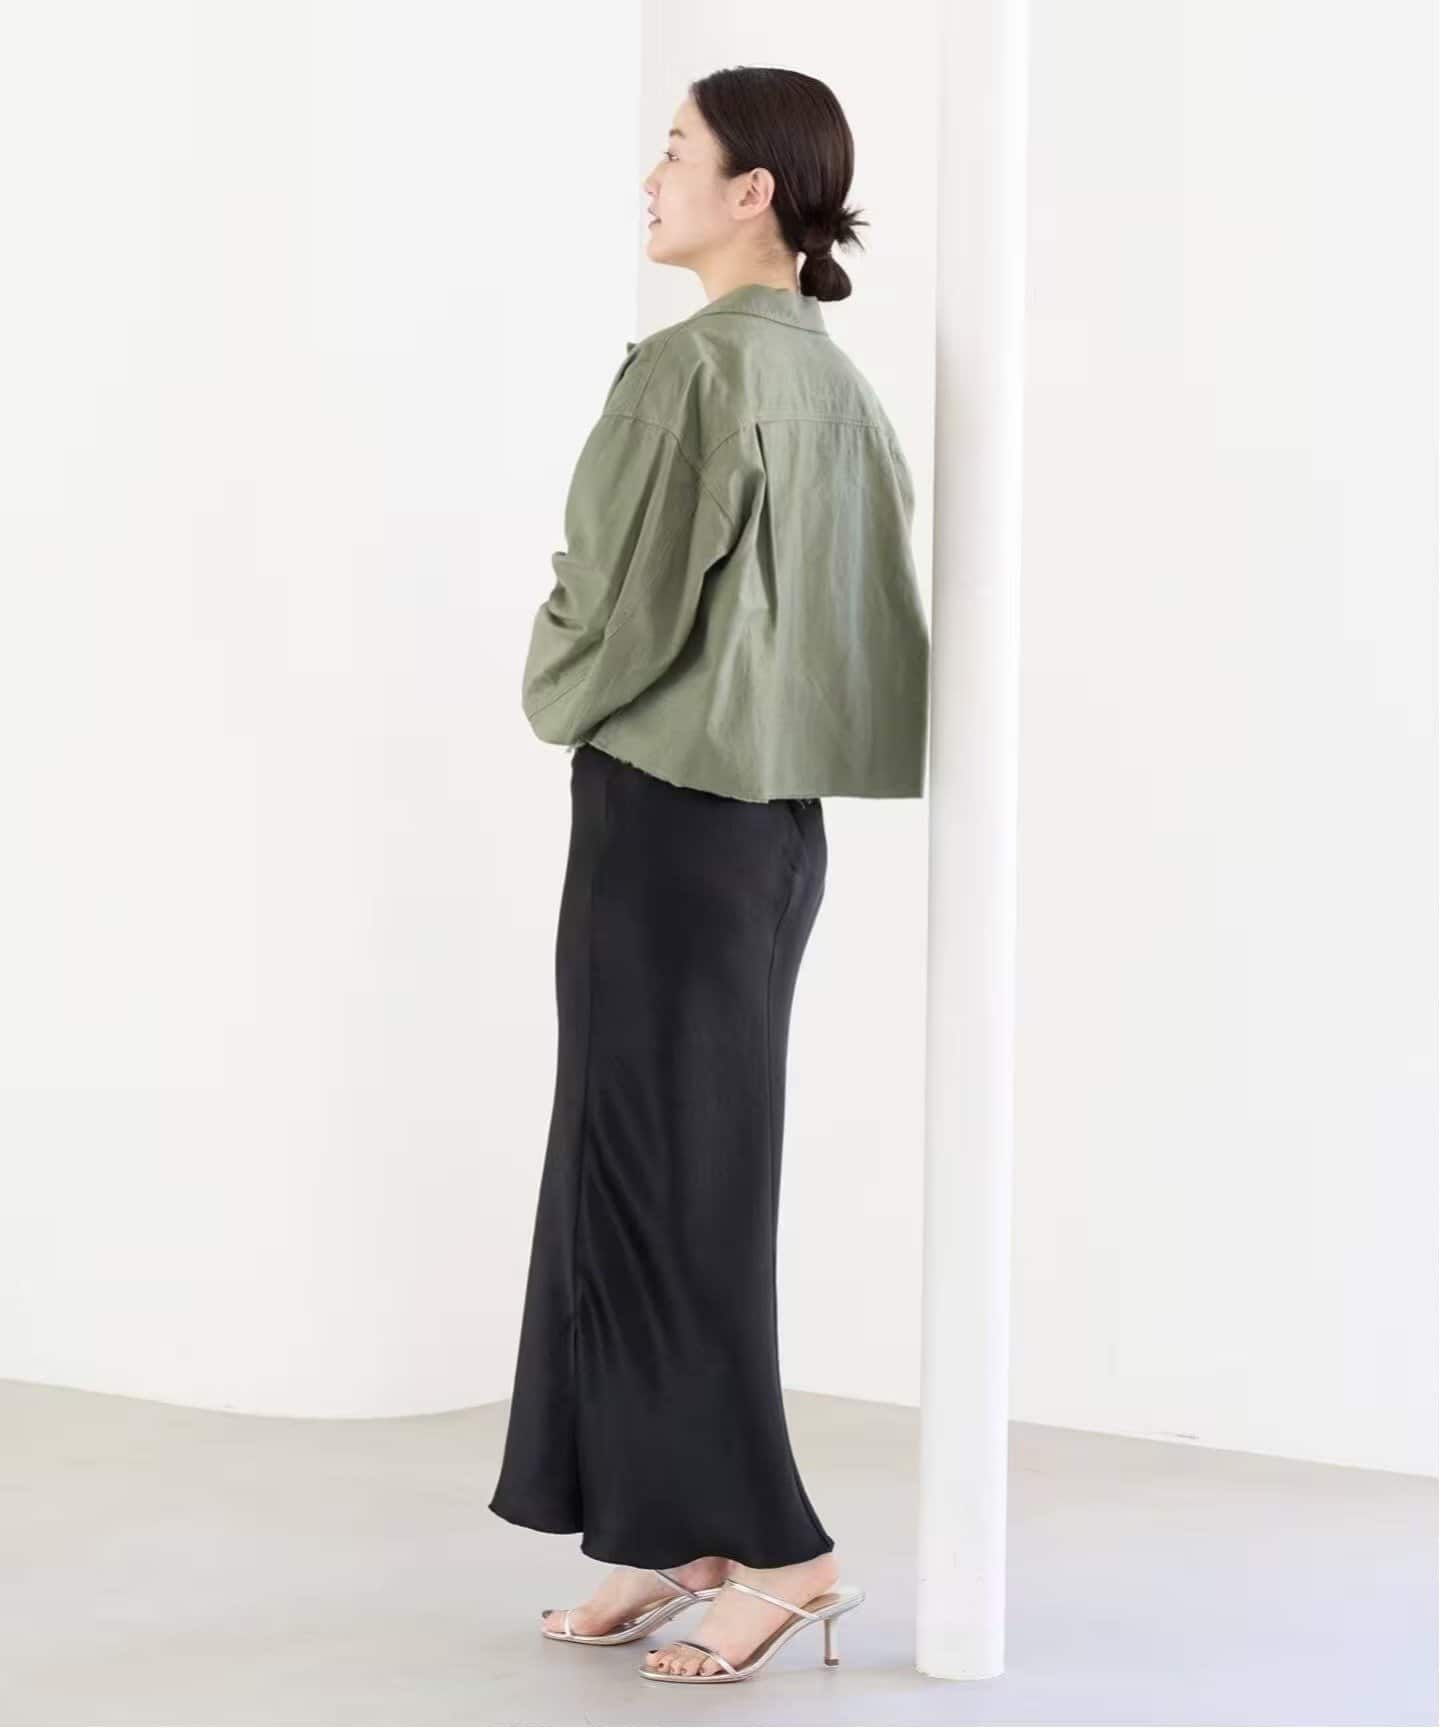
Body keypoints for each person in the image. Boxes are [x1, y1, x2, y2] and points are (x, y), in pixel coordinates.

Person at [488, 65, 929, 1687]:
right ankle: (678, 1534)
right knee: (661, 1173)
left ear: (756, 191)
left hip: (668, 814)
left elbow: (615, 601)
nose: (651, 175)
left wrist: (552, 683)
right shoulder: (837, 386)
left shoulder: (690, 374)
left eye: (677, 149)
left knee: (656, 1183)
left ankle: (786, 1552)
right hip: (770, 828)